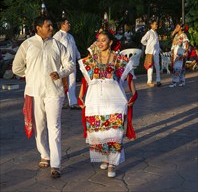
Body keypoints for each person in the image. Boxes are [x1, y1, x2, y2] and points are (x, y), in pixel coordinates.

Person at [12, 16, 74, 178]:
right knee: (39, 126)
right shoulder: (28, 45)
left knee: (54, 127)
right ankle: (44, 154)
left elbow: (70, 65)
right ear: (38, 28)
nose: (52, 28)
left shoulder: (57, 45)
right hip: (34, 92)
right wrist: (30, 75)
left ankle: (56, 164)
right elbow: (17, 67)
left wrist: (60, 73)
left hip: (54, 91)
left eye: (52, 25)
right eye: (48, 26)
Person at [78, 30, 138, 178]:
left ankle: (112, 163)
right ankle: (105, 157)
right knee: (100, 131)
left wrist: (134, 94)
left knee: (114, 132)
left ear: (110, 42)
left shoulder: (119, 59)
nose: (100, 43)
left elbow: (129, 77)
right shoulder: (92, 59)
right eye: (98, 40)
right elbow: (86, 79)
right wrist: (80, 96)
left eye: (103, 40)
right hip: (95, 99)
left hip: (115, 99)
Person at [54, 18, 81, 109]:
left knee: (72, 82)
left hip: (72, 63)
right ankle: (61, 102)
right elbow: (54, 48)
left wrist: (79, 57)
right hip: (63, 64)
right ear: (62, 25)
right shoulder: (58, 35)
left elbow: (75, 47)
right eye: (67, 23)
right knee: (62, 83)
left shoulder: (70, 36)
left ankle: (72, 103)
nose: (69, 24)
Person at [141, 20, 161, 87]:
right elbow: (142, 40)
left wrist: (159, 49)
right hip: (150, 52)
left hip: (156, 52)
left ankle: (158, 81)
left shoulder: (156, 33)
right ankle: (149, 82)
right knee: (150, 67)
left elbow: (157, 43)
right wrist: (148, 45)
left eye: (156, 24)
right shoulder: (149, 32)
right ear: (151, 25)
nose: (156, 25)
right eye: (155, 24)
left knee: (157, 66)